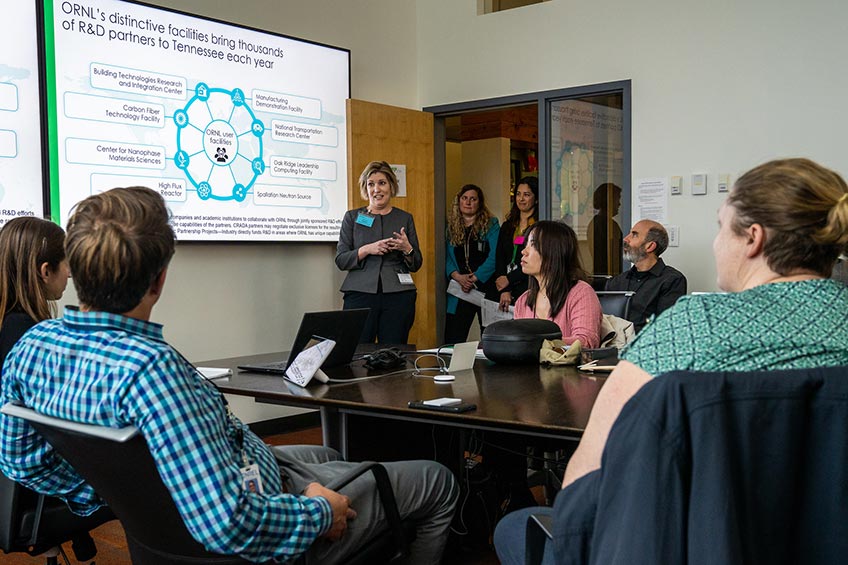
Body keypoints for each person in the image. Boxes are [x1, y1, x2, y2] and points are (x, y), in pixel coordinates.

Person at [0, 187, 458, 564]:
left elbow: (20, 460)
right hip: (263, 532)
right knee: (437, 481)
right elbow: (228, 524)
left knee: (326, 451)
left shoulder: (28, 350)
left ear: (75, 269)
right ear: (159, 279)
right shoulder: (154, 373)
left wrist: (125, 491)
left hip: (213, 495)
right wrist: (320, 512)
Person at [494, 157, 848, 564]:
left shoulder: (693, 327)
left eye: (720, 227)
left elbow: (585, 482)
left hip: (694, 545)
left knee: (514, 529)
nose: (716, 243)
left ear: (753, 239)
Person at [336, 161, 422, 344]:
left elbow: (416, 264)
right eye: (371, 184)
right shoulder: (352, 217)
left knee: (393, 351)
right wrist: (367, 249)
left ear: (391, 186)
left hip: (398, 295)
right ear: (365, 188)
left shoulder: (404, 218)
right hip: (360, 293)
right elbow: (341, 260)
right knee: (357, 350)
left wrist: (408, 249)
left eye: (382, 183)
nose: (376, 189)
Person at [513, 220, 602, 348]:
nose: (524, 251)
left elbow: (586, 341)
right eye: (525, 244)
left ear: (553, 252)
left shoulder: (581, 293)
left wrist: (539, 343)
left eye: (533, 244)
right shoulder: (523, 301)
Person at [0, 217, 70, 368]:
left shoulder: (7, 322)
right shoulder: (29, 336)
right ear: (45, 271)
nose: (70, 274)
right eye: (67, 264)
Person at [605, 219, 687, 332]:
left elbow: (665, 327)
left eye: (634, 235)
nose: (626, 239)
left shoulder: (672, 280)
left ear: (650, 246)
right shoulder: (617, 282)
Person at [444, 184, 499, 344]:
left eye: (473, 199)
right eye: (464, 198)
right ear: (459, 201)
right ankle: (451, 369)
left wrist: (475, 278)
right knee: (453, 337)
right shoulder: (450, 227)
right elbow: (445, 256)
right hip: (460, 289)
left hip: (486, 287)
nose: (468, 202)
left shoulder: (491, 224)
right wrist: (457, 276)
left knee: (491, 337)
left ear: (479, 203)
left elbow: (495, 255)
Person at [491, 177, 538, 312]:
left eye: (526, 195)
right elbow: (499, 256)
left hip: (529, 285)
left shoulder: (539, 227)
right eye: (518, 194)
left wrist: (509, 279)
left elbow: (537, 260)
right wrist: (504, 288)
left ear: (536, 199)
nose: (521, 199)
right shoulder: (508, 225)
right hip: (506, 288)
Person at [586, 182, 623, 276]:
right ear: (608, 200)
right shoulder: (605, 225)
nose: (619, 204)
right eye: (617, 199)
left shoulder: (596, 223)